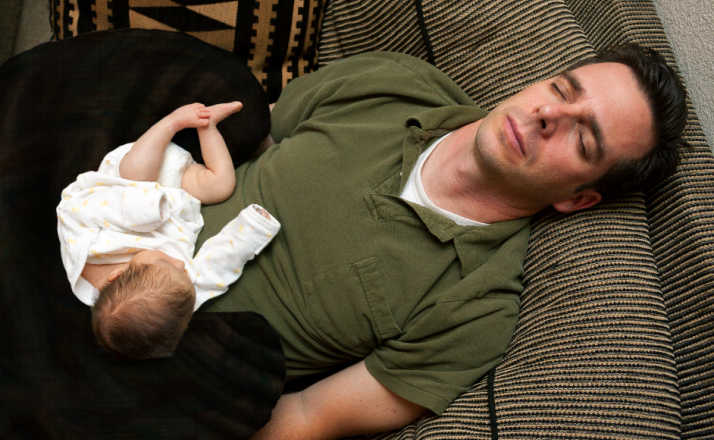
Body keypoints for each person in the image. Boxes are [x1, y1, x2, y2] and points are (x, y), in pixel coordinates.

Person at [56, 102, 281, 360]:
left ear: (116, 275)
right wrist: (252, 230)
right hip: (179, 198)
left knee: (134, 172)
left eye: (166, 262)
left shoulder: (86, 252)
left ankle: (173, 122)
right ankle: (209, 126)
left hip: (135, 183)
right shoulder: (175, 301)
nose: (180, 263)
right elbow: (216, 267)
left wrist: (145, 208)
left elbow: (74, 209)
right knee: (221, 186)